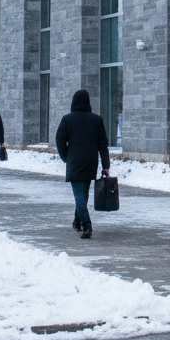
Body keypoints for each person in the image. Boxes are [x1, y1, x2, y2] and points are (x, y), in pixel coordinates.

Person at [55, 89, 110, 239]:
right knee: (83, 192)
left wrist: (66, 156)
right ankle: (76, 222)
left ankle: (87, 225)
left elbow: (59, 140)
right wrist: (106, 166)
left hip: (74, 160)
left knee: (79, 193)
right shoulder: (96, 120)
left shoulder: (67, 119)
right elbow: (103, 144)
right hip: (91, 161)